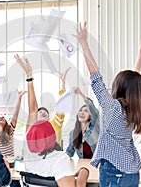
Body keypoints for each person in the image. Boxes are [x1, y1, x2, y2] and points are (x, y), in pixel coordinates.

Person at [76, 21, 141, 186]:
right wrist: (140, 55)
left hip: (114, 172)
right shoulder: (134, 111)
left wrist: (84, 44)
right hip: (132, 174)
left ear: (119, 87)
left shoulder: (113, 109)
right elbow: (134, 81)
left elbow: (95, 77)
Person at [15, 54, 89, 187]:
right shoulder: (60, 160)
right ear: (52, 137)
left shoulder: (28, 152)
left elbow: (32, 110)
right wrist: (83, 173)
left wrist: (29, 75)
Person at [38, 67, 71, 146]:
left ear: (49, 117)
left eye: (45, 112)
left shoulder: (55, 123)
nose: (43, 112)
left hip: (56, 156)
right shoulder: (35, 129)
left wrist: (63, 81)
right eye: (40, 112)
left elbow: (61, 104)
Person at [0, 90, 26, 157]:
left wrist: (19, 97)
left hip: (9, 162)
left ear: (6, 122)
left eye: (2, 117)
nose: (0, 118)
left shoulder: (10, 129)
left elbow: (16, 113)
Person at [66, 87, 99, 159]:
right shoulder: (73, 133)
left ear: (90, 116)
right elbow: (69, 152)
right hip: (82, 166)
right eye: (80, 110)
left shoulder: (95, 129)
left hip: (96, 166)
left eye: (86, 111)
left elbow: (94, 111)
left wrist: (81, 94)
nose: (82, 113)